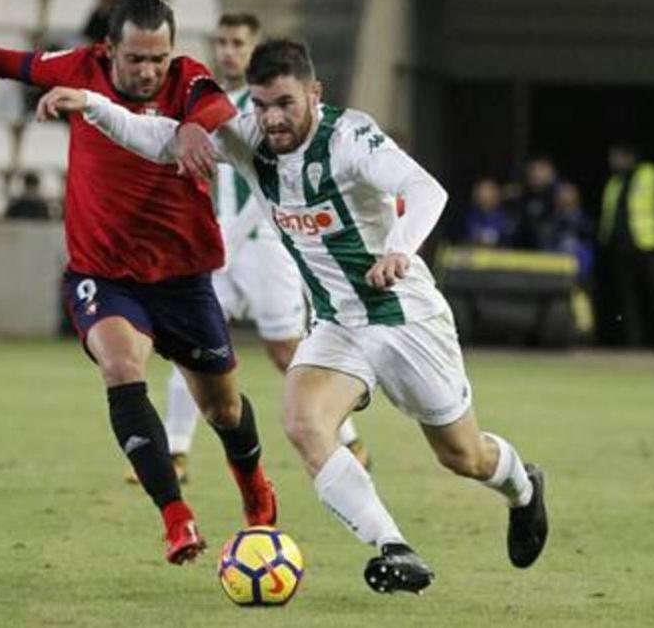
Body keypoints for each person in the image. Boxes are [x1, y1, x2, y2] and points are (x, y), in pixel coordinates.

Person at [44, 38, 549, 594]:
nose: (272, 118)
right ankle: (394, 547)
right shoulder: (251, 138)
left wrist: (399, 247)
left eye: (284, 103)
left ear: (314, 92)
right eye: (261, 105)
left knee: (463, 456)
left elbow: (425, 189)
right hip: (336, 323)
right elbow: (165, 140)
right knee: (304, 423)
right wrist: (95, 107)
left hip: (404, 316)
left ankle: (523, 488)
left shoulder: (350, 137)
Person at [0, 0, 278, 566]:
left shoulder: (189, 77)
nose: (147, 71)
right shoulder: (77, 67)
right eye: (136, 59)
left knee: (224, 410)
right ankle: (176, 517)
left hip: (182, 276)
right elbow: (3, 62)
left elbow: (214, 107)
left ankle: (254, 485)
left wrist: (192, 127)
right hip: (105, 273)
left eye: (157, 59)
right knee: (121, 366)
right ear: (109, 49)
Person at [130, 13, 371, 487]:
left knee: (287, 351)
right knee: (188, 345)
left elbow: (279, 183)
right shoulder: (203, 102)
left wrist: (232, 234)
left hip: (263, 246)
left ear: (254, 48)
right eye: (220, 42)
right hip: (212, 247)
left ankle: (348, 438)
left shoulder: (269, 108)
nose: (228, 52)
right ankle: (176, 452)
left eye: (238, 43)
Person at [598, 143, 654, 348]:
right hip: (622, 249)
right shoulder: (615, 182)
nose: (613, 161)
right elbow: (610, 215)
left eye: (617, 156)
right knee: (627, 301)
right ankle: (634, 343)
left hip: (650, 247)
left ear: (630, 156)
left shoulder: (651, 174)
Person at [510, 154, 559, 250]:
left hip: (552, 253)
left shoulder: (561, 195)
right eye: (532, 168)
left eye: (541, 169)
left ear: (552, 172)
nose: (536, 173)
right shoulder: (519, 196)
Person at [460, 178, 514, 246]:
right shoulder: (467, 217)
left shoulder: (507, 219)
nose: (483, 194)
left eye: (488, 190)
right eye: (480, 190)